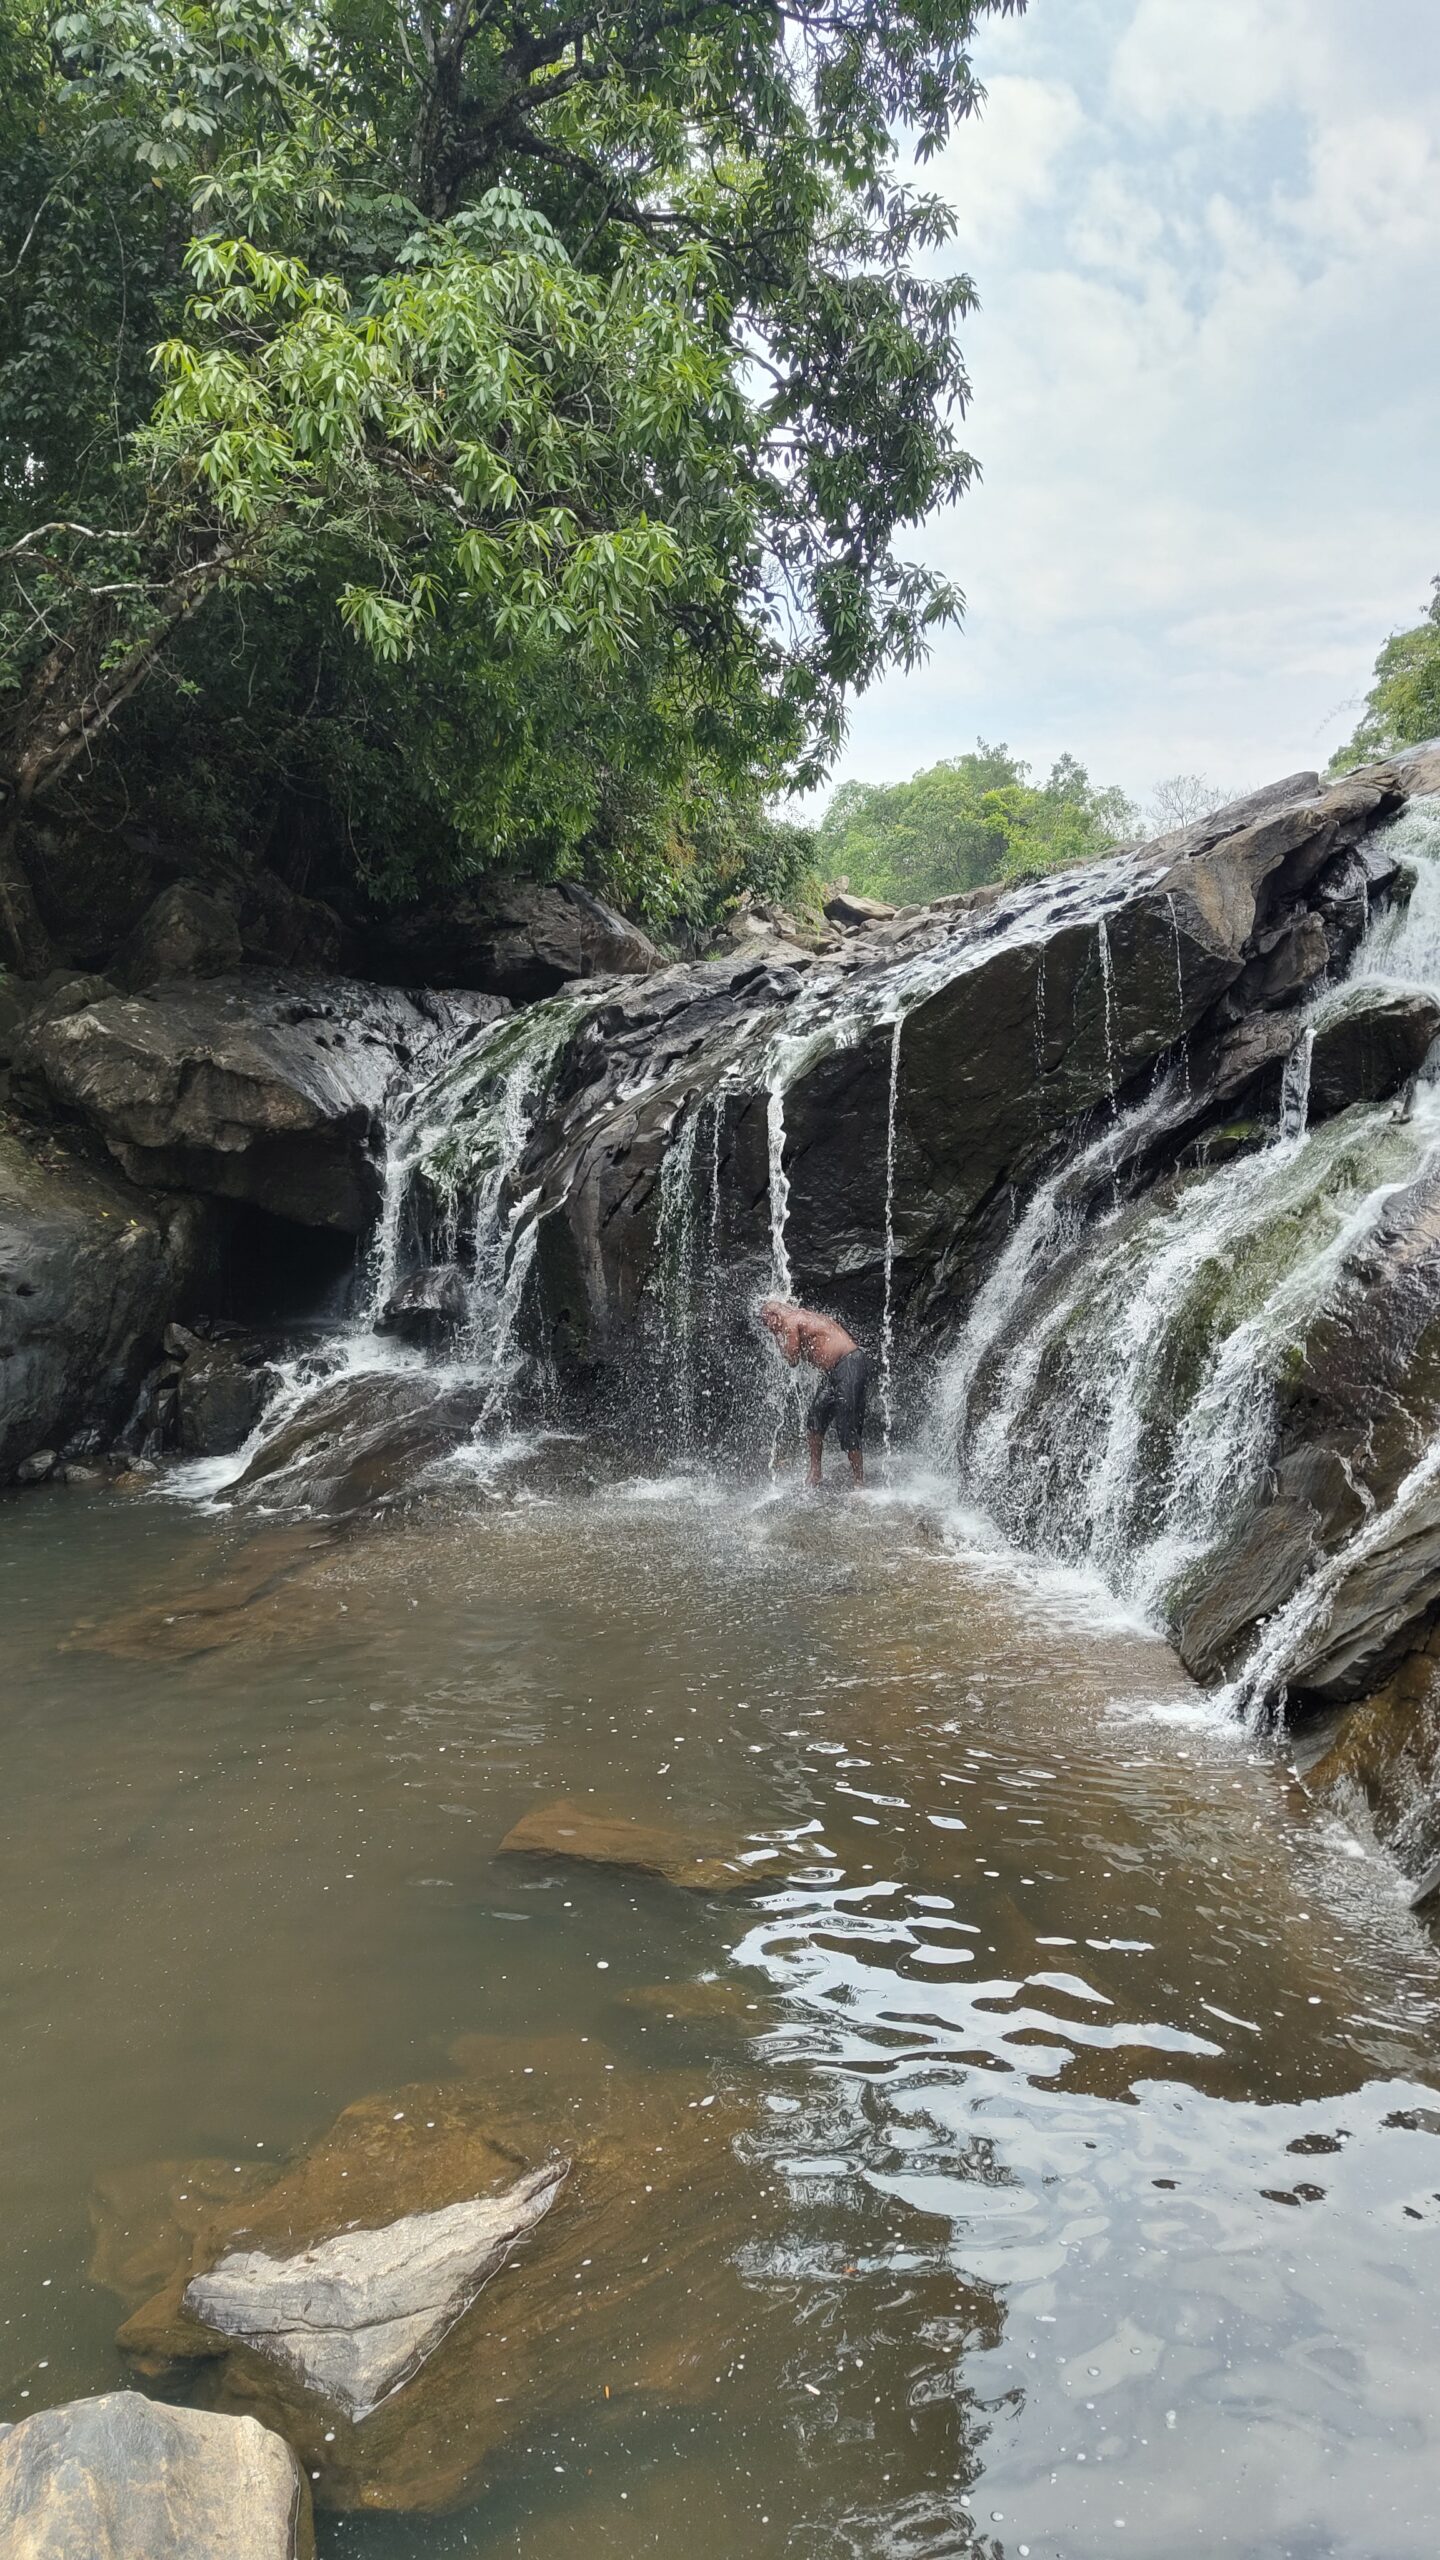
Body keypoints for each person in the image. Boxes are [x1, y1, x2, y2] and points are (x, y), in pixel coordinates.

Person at [760, 1298, 869, 1488]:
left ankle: (859, 1482)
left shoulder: (790, 1322)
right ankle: (815, 1472)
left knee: (846, 1424)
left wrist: (777, 1337)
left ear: (774, 1317)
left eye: (765, 1321)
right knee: (815, 1418)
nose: (766, 1327)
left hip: (849, 1364)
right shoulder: (799, 1316)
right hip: (834, 1371)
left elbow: (792, 1359)